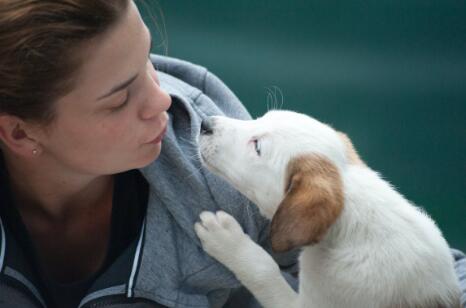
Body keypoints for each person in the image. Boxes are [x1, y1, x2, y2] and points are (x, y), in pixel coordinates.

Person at [0, 1, 464, 308]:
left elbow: (437, 276)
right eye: (120, 98)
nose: (163, 100)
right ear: (19, 134)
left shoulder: (227, 183)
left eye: (146, 59)